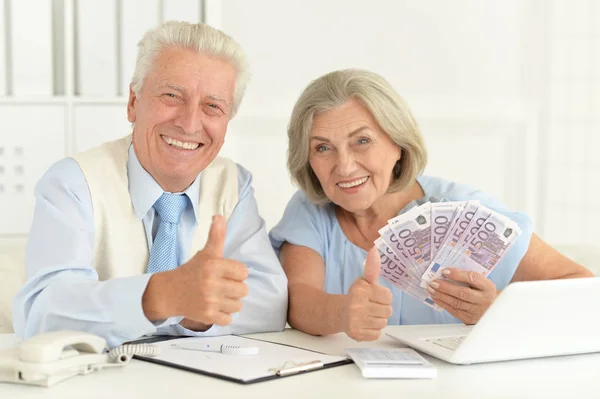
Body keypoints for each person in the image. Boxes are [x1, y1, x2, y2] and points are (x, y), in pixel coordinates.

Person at [12, 21, 288, 348]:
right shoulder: (73, 183)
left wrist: (194, 310)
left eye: (212, 106)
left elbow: (270, 302)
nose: (188, 123)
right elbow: (42, 311)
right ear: (133, 102)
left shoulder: (233, 184)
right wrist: (161, 297)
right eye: (172, 95)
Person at [269, 68, 594, 342]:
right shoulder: (309, 210)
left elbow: (582, 289)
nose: (344, 166)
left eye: (362, 141)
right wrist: (341, 312)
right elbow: (298, 299)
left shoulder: (465, 212)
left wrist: (498, 312)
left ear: (397, 143)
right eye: (323, 148)